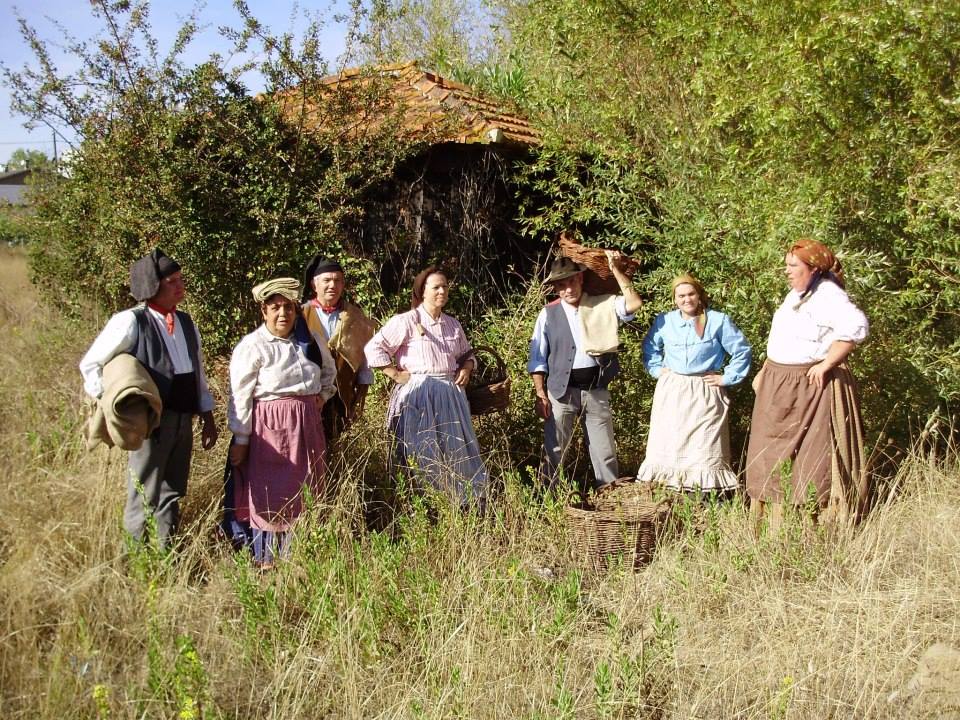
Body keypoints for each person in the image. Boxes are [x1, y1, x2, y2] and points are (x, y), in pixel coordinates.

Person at [79, 248, 218, 548]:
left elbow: (198, 374)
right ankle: (136, 562)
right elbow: (90, 365)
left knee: (172, 492)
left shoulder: (185, 321)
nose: (181, 286)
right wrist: (116, 407)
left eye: (181, 279)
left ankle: (166, 555)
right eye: (173, 281)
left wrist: (207, 416)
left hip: (183, 421)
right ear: (153, 285)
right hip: (151, 425)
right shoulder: (130, 321)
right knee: (142, 494)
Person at [746, 238, 870, 526]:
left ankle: (811, 526)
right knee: (770, 454)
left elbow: (856, 326)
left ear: (813, 268)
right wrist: (766, 369)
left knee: (812, 455)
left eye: (793, 266)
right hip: (779, 382)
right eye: (786, 265)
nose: (786, 271)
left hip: (808, 386)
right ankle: (773, 526)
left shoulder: (828, 294)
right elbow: (787, 336)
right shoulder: (797, 294)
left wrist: (827, 363)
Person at [227, 278, 337, 567]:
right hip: (270, 430)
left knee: (308, 490)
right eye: (275, 307)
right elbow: (240, 396)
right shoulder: (253, 346)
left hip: (308, 427)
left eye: (288, 307)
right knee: (271, 493)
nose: (283, 314)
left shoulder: (309, 341)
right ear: (264, 311)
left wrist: (322, 397)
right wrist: (241, 439)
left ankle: (300, 559)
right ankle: (267, 560)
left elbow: (329, 372)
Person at [364, 266, 488, 506]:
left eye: (445, 286)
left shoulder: (452, 325)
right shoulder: (406, 321)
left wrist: (467, 368)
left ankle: (463, 502)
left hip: (450, 395)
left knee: (457, 448)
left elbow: (468, 354)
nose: (442, 291)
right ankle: (426, 503)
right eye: (436, 287)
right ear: (422, 292)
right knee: (422, 450)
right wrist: (394, 373)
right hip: (419, 395)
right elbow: (373, 349)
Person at [527, 251, 642, 489]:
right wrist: (540, 393)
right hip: (561, 391)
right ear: (556, 288)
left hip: (595, 389)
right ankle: (549, 498)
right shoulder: (548, 313)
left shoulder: (602, 304)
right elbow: (537, 358)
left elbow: (634, 303)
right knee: (554, 449)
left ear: (580, 279)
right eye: (561, 284)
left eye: (571, 281)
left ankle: (611, 500)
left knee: (605, 451)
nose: (568, 289)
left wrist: (616, 270)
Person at [636, 274, 752, 493]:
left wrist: (726, 378)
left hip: (704, 389)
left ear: (699, 296)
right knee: (671, 440)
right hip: (673, 389)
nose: (686, 299)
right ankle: (671, 493)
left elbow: (741, 350)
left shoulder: (718, 321)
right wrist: (656, 369)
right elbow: (650, 346)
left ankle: (704, 497)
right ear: (674, 299)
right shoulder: (665, 321)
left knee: (704, 442)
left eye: (691, 294)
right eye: (681, 296)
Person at [300, 255, 376, 446]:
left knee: (340, 448)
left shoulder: (355, 317)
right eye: (326, 280)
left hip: (343, 398)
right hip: (308, 398)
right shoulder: (300, 315)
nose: (332, 285)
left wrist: (360, 398)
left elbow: (365, 361)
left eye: (337, 280)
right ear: (313, 284)